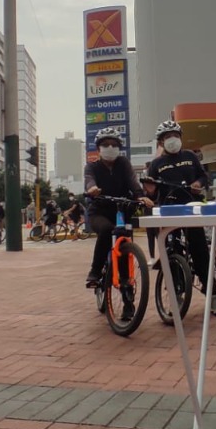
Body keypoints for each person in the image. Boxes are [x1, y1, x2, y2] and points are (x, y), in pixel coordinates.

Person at [146, 120, 216, 317]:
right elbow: (150, 191)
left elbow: (203, 176)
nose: (172, 139)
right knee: (170, 251)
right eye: (167, 137)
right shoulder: (156, 164)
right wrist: (148, 192)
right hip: (168, 211)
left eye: (175, 135)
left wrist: (198, 183)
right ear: (161, 142)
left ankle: (214, 296)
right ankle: (176, 295)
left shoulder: (190, 156)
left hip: (191, 208)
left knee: (200, 250)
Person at [83, 128, 154, 319]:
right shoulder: (92, 167)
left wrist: (140, 197)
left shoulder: (123, 164)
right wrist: (92, 189)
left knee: (124, 253)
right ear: (99, 148)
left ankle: (128, 304)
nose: (110, 147)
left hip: (122, 211)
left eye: (114, 145)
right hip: (100, 212)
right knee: (106, 230)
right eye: (105, 144)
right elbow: (89, 180)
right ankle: (95, 271)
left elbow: (132, 182)